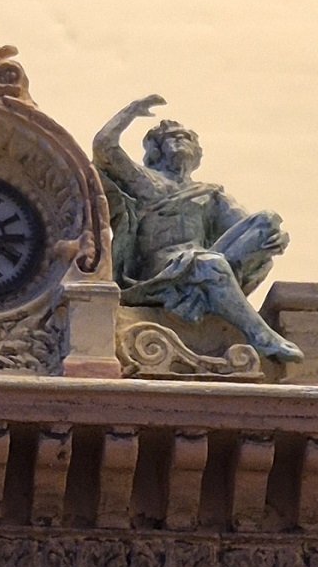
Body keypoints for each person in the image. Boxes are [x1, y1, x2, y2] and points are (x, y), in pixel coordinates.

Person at [92, 94, 301, 364]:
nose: (181, 141)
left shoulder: (209, 192)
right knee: (209, 263)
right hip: (159, 268)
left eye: (186, 138)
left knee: (267, 221)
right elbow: (104, 146)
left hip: (204, 258)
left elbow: (245, 226)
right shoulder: (146, 181)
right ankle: (261, 335)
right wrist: (131, 111)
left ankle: (203, 292)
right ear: (156, 150)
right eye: (173, 138)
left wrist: (273, 239)